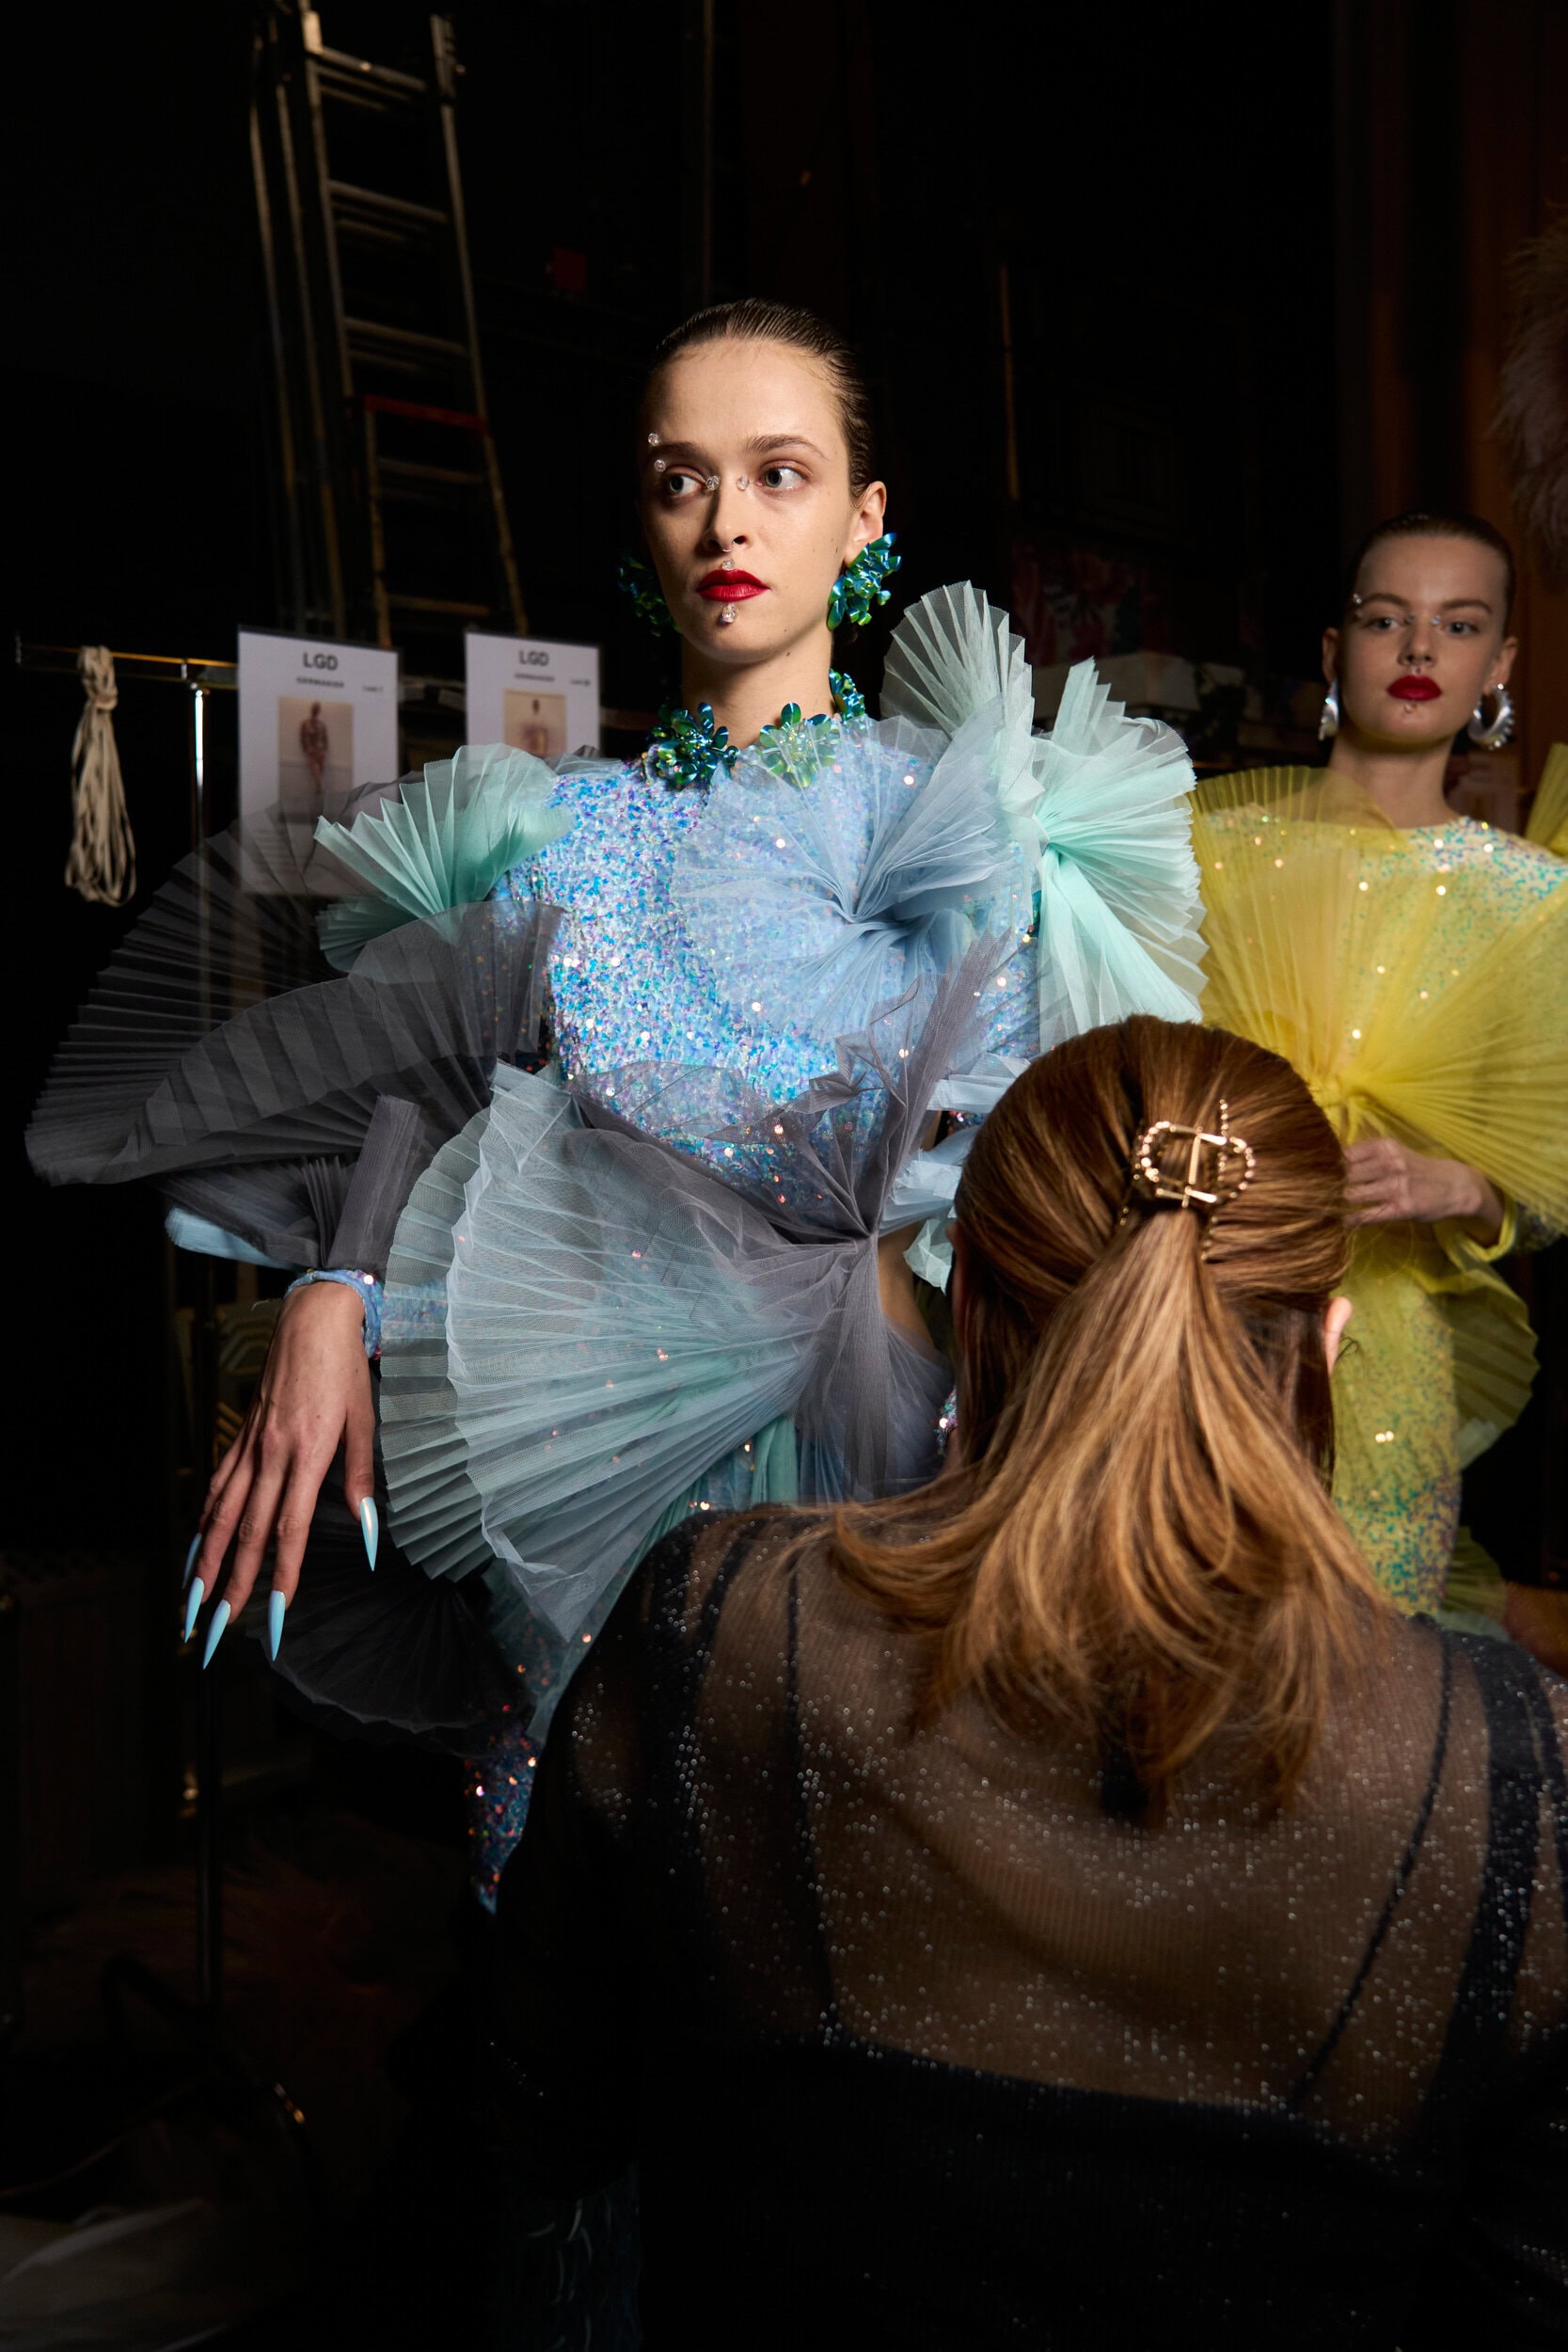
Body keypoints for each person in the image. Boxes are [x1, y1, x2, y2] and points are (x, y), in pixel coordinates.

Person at [27, 299, 1205, 1895]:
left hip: (878, 1481)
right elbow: (441, 1093)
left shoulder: (961, 818)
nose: (725, 523)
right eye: (679, 478)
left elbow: (1051, 1182)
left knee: (835, 1926)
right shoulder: (556, 834)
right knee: (583, 1927)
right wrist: (331, 1285)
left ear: (864, 516)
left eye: (778, 473)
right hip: (577, 1498)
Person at [488, 1015, 1568, 2349]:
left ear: (970, 1314)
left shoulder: (719, 1623)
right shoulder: (1512, 1775)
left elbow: (538, 2118)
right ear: (1328, 1340)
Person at [1192, 513, 1568, 1646]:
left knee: (1361, 1672)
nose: (1416, 650)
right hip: (1192, 1311)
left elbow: (1547, 1167)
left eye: (1456, 626)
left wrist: (1461, 1186)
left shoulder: (1527, 898)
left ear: (1497, 663)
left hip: (1389, 1343)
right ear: (1331, 649)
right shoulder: (1209, 845)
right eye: (1383, 620)